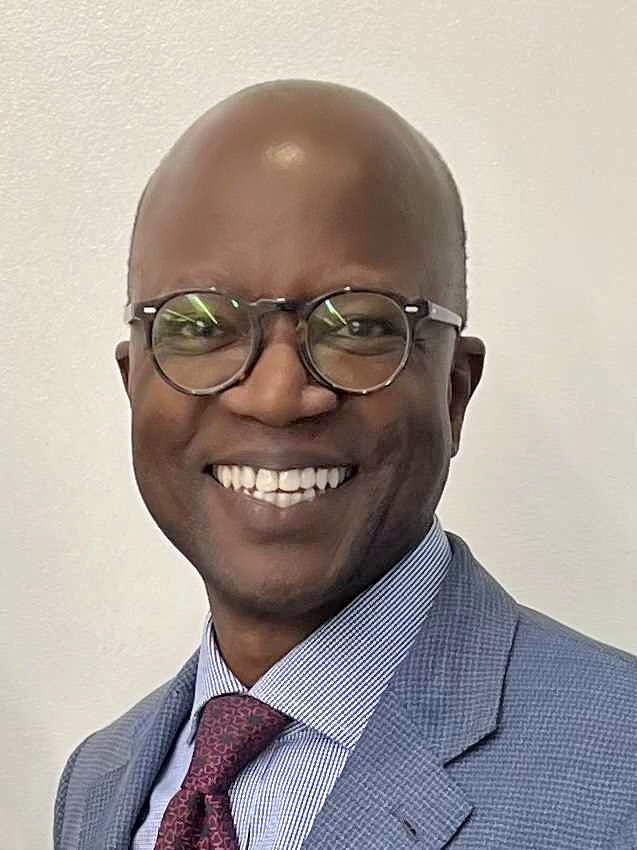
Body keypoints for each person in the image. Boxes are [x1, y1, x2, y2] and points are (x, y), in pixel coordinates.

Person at [53, 79, 637, 850]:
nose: (276, 396)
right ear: (134, 385)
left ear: (454, 391)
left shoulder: (620, 766)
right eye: (199, 326)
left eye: (357, 325)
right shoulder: (99, 782)